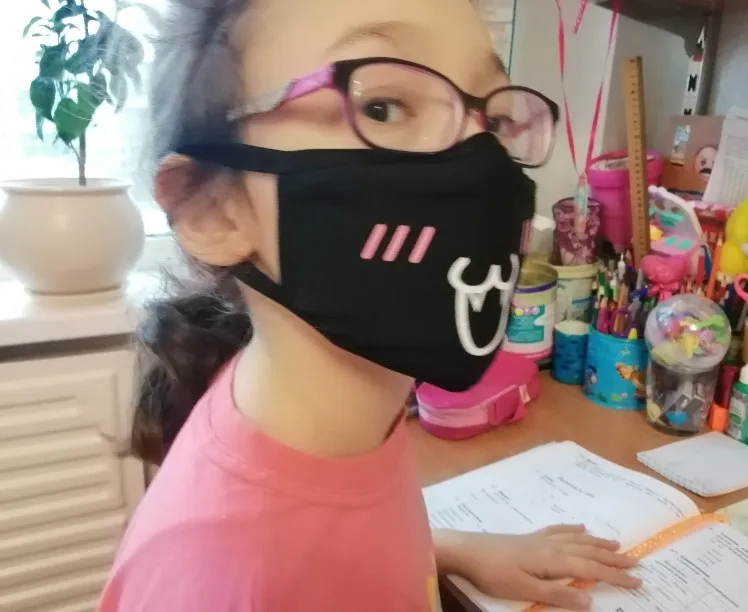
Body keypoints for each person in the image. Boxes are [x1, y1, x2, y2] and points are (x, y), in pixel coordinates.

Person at [99, 0, 642, 610]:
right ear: (214, 211)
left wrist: (458, 549)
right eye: (383, 107)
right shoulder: (212, 583)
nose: (480, 158)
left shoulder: (343, 421)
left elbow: (333, 528)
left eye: (491, 119)